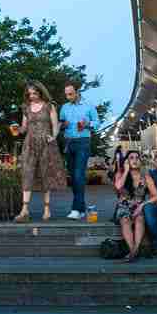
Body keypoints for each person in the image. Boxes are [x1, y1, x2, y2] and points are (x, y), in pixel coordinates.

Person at [14, 81, 65, 223]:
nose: (32, 96)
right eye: (29, 94)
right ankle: (24, 211)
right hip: (29, 144)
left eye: (34, 93)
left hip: (46, 144)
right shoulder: (26, 108)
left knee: (45, 175)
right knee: (27, 173)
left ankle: (47, 210)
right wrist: (18, 129)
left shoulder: (50, 106)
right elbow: (24, 128)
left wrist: (53, 136)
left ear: (41, 92)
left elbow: (55, 126)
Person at [59, 82, 100, 220]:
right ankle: (82, 208)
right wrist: (62, 125)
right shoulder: (64, 107)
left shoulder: (89, 106)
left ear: (77, 92)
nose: (68, 97)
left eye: (70, 94)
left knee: (78, 175)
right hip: (68, 143)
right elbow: (60, 124)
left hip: (83, 142)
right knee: (74, 177)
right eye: (66, 94)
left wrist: (87, 124)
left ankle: (76, 209)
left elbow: (97, 123)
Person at [114, 150, 157, 262]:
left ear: (140, 161)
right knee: (125, 220)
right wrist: (126, 171)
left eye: (136, 158)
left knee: (139, 219)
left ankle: (134, 250)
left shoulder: (146, 177)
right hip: (123, 206)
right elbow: (118, 187)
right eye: (131, 158)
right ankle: (132, 250)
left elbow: (156, 196)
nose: (134, 160)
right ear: (127, 161)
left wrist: (143, 205)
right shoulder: (120, 174)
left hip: (139, 206)